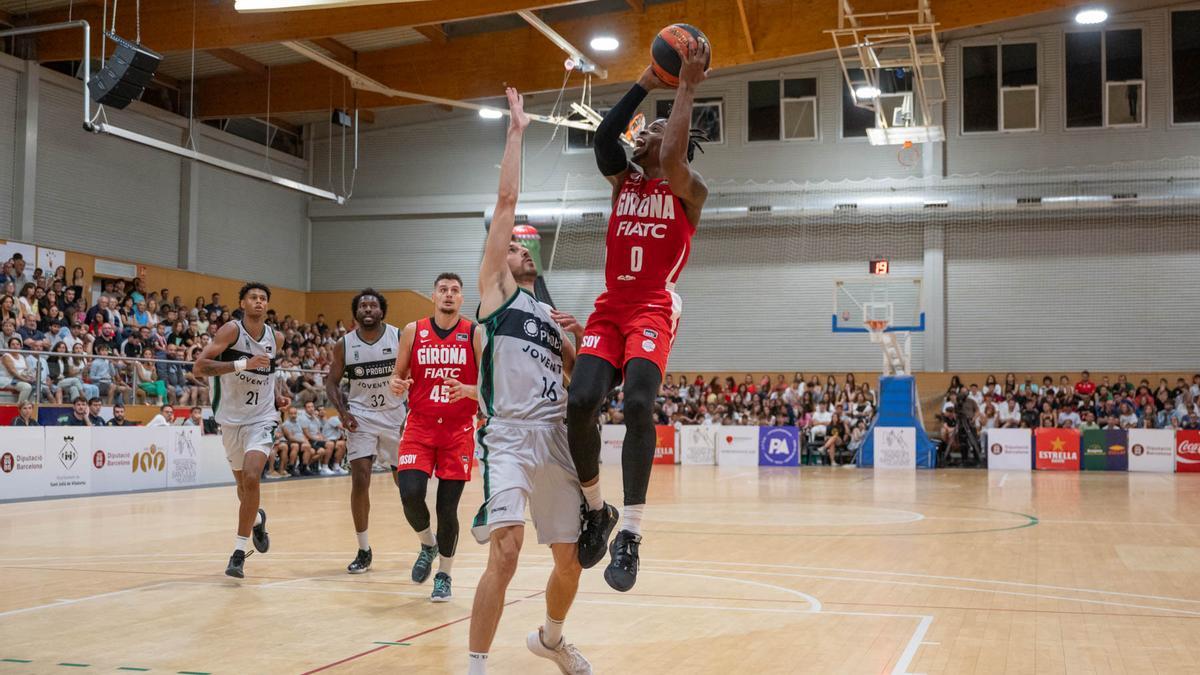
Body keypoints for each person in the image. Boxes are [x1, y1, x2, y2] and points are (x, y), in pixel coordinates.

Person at [559, 38, 711, 592]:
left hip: (652, 305)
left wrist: (688, 87)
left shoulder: (689, 191)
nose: (640, 134)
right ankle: (599, 511)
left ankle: (634, 535)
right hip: (610, 307)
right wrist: (649, 78)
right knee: (580, 400)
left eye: (651, 131)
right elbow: (603, 137)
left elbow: (670, 157)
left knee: (641, 403)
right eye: (643, 130)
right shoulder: (624, 182)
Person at [467, 88, 590, 675]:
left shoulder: (547, 313)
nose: (521, 249)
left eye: (523, 245)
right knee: (508, 554)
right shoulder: (495, 291)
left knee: (572, 560)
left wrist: (580, 339)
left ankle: (551, 637)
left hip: (556, 437)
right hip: (511, 436)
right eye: (514, 244)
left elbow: (579, 380)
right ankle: (476, 665)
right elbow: (507, 197)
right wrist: (517, 131)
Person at [389, 273, 481, 603]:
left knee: (447, 509)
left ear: (461, 299)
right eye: (443, 290)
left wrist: (470, 390)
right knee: (410, 494)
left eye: (455, 291)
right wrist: (396, 384)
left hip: (457, 431)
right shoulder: (414, 330)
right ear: (433, 296)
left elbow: (488, 384)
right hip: (420, 426)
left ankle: (444, 574)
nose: (448, 295)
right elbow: (398, 376)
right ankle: (427, 544)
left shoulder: (474, 332)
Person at [194, 283, 289, 579]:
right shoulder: (230, 331)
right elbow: (200, 367)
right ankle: (257, 521)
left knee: (252, 477)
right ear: (242, 303)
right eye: (253, 298)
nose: (258, 302)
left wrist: (278, 396)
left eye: (263, 299)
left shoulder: (278, 338)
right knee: (243, 488)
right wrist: (242, 363)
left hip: (262, 418)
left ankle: (238, 553)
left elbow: (269, 374)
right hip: (231, 420)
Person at [325, 289, 408, 575]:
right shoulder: (344, 345)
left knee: (407, 486)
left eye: (373, 305)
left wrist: (413, 412)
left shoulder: (399, 337)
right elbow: (332, 383)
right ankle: (363, 549)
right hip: (361, 418)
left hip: (395, 417)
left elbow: (418, 374)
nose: (368, 309)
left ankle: (426, 540)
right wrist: (343, 412)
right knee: (360, 479)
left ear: (382, 311)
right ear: (356, 313)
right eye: (363, 306)